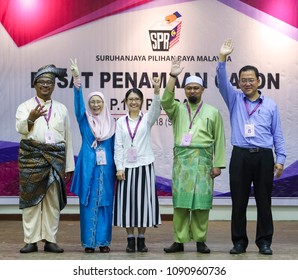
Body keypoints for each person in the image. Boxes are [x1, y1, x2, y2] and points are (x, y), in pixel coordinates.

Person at [216, 39, 286, 255]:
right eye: (243, 80)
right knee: (239, 202)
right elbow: (221, 80)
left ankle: (264, 242)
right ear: (239, 83)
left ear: (258, 81)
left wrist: (280, 159)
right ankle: (239, 242)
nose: (247, 83)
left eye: (250, 80)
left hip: (264, 157)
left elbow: (278, 134)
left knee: (264, 202)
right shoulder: (234, 99)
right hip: (240, 157)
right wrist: (222, 58)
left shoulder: (271, 105)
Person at [161, 59, 226, 253]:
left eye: (196, 88)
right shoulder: (177, 109)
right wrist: (173, 76)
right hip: (182, 162)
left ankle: (200, 240)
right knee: (180, 203)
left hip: (204, 161)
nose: (192, 91)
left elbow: (220, 139)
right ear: (184, 90)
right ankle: (179, 241)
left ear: (203, 90)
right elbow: (165, 101)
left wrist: (218, 164)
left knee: (201, 204)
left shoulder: (213, 112)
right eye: (188, 88)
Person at [16, 64, 75, 253]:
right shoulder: (25, 107)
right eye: (41, 82)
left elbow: (67, 137)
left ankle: (50, 239)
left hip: (55, 160)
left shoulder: (62, 109)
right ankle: (30, 240)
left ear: (54, 86)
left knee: (52, 201)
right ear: (35, 84)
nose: (45, 85)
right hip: (31, 159)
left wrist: (68, 165)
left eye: (49, 82)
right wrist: (31, 119)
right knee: (31, 201)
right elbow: (21, 128)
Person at [69, 59, 116, 253]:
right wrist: (77, 79)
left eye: (98, 102)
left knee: (105, 205)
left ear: (104, 104)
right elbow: (78, 105)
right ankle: (89, 243)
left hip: (106, 170)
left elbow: (116, 148)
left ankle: (103, 242)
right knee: (87, 204)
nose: (95, 105)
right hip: (88, 167)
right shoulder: (84, 120)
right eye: (92, 102)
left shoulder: (112, 124)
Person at [113, 78, 162, 253]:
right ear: (126, 102)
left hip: (144, 165)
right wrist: (119, 167)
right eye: (130, 99)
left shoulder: (147, 118)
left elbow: (156, 109)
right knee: (128, 203)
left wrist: (156, 91)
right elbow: (118, 146)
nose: (133, 102)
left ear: (141, 102)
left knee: (143, 203)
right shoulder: (120, 122)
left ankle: (141, 238)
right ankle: (130, 239)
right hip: (126, 168)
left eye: (137, 99)